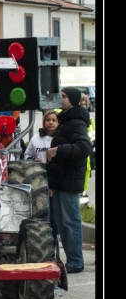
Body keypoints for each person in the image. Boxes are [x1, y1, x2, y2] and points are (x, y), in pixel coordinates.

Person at [45, 87, 92, 274]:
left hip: (69, 181)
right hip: (60, 181)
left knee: (70, 222)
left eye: (63, 97)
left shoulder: (76, 123)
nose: (60, 99)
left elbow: (83, 148)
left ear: (72, 100)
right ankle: (70, 260)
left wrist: (59, 150)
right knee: (61, 222)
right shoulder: (66, 120)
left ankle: (75, 261)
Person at [79, 94, 96, 203]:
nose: (84, 106)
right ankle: (81, 194)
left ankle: (84, 195)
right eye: (82, 104)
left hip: (89, 150)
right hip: (80, 149)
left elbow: (93, 133)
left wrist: (92, 142)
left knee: (87, 170)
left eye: (85, 104)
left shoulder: (90, 119)